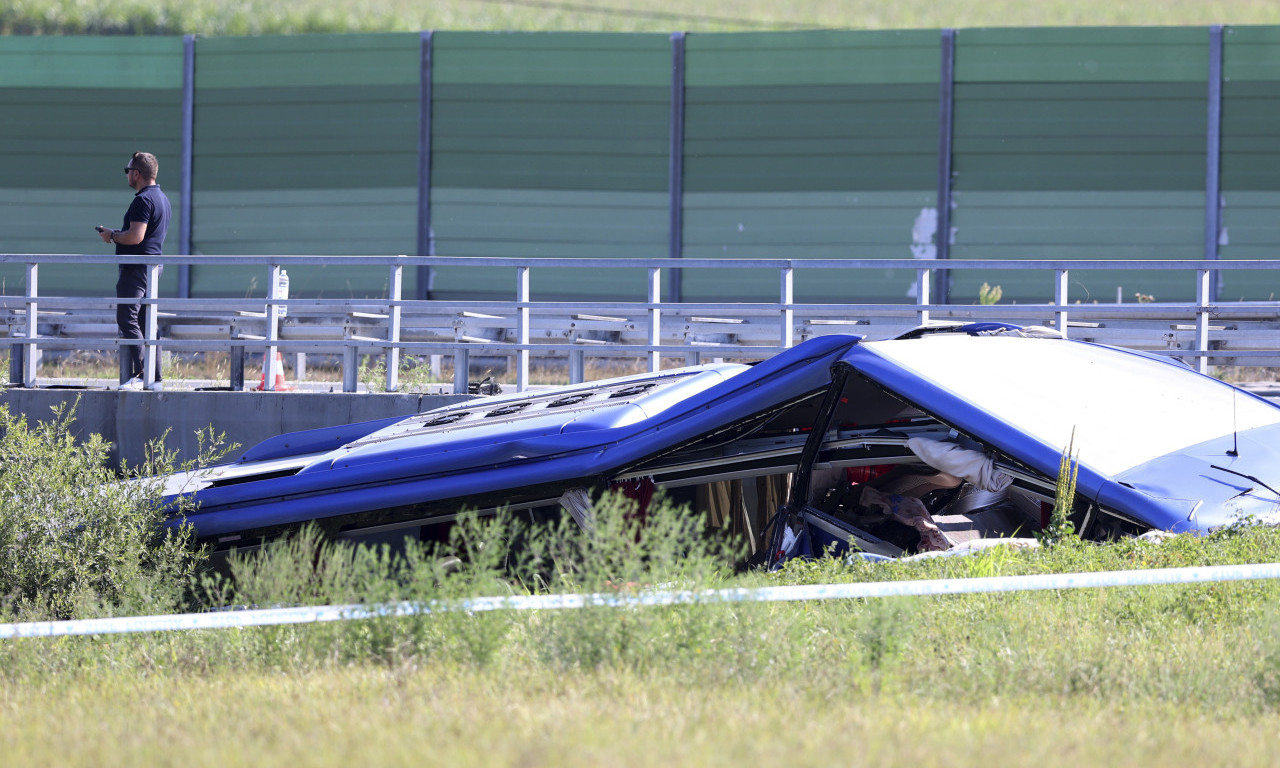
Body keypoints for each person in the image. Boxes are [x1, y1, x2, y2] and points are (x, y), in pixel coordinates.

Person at [97, 152, 170, 391]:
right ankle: (154, 378)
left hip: (137, 268)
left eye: (128, 171)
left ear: (136, 173)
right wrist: (118, 233)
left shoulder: (142, 200)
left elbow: (136, 236)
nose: (127, 175)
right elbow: (144, 235)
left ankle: (141, 375)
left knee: (127, 317)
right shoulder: (161, 198)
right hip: (152, 266)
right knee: (147, 321)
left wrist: (113, 236)